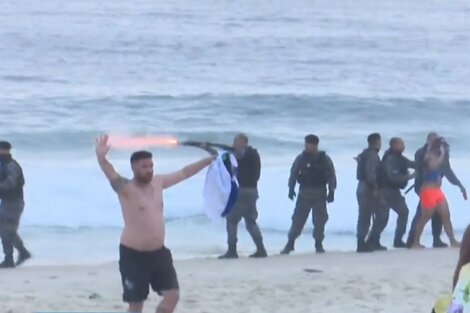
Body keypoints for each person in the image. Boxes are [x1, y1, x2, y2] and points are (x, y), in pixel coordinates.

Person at [95, 134, 215, 313]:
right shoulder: (126, 189)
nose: (149, 170)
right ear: (134, 168)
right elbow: (110, 173)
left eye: (151, 165)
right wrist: (101, 157)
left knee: (173, 295)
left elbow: (184, 172)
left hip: (159, 254)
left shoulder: (158, 182)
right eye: (144, 167)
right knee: (136, 304)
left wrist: (209, 160)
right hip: (133, 256)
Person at [208, 134, 267, 259]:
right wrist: (208, 148)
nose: (234, 143)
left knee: (232, 220)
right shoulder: (251, 154)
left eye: (236, 141)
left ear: (243, 142)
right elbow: (223, 158)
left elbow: (229, 156)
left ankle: (232, 251)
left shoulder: (246, 154)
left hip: (242, 192)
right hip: (252, 191)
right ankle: (261, 249)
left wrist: (215, 148)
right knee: (251, 221)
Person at [407, 132, 467, 248]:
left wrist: (459, 185)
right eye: (435, 141)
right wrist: (441, 153)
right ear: (429, 141)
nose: (439, 144)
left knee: (445, 215)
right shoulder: (425, 155)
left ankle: (452, 240)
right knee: (425, 216)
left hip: (437, 191)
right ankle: (414, 242)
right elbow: (433, 165)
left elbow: (447, 171)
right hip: (427, 190)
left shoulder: (441, 154)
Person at [280, 134, 336, 254]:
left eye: (309, 144)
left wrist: (332, 191)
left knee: (320, 220)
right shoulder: (301, 158)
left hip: (320, 193)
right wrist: (291, 188)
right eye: (306, 144)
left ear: (315, 145)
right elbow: (294, 172)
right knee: (298, 219)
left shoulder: (324, 158)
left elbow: (332, 175)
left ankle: (318, 244)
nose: (307, 146)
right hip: (304, 192)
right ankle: (290, 243)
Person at [380, 137, 416, 248]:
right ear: (394, 145)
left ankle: (397, 240)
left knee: (399, 213)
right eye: (401, 144)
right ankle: (376, 240)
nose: (403, 146)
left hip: (392, 190)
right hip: (387, 190)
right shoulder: (391, 159)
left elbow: (410, 163)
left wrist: (425, 163)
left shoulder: (398, 157)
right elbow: (393, 178)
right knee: (386, 216)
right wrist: (410, 176)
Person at [0, 141, 31, 268]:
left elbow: (11, 183)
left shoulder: (11, 165)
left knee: (6, 230)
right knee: (6, 230)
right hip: (7, 202)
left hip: (14, 203)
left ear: (4, 150)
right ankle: (19, 253)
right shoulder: (3, 164)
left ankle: (11, 258)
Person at [355, 133, 388, 252]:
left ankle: (370, 241)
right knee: (374, 215)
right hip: (368, 188)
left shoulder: (366, 154)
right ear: (376, 142)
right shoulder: (371, 155)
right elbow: (370, 174)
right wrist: (375, 188)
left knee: (371, 214)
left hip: (363, 187)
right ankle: (364, 242)